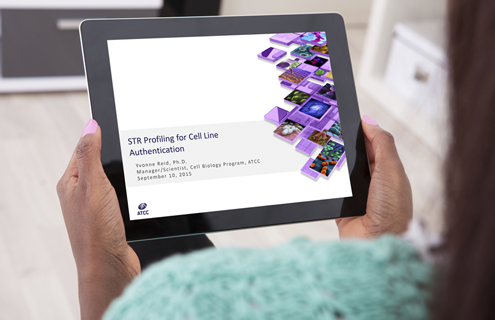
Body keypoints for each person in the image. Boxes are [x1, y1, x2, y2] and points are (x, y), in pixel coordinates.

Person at [56, 0, 495, 318]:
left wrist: (102, 271)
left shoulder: (183, 300)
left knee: (150, 232)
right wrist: (381, 243)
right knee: (163, 229)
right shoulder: (456, 283)